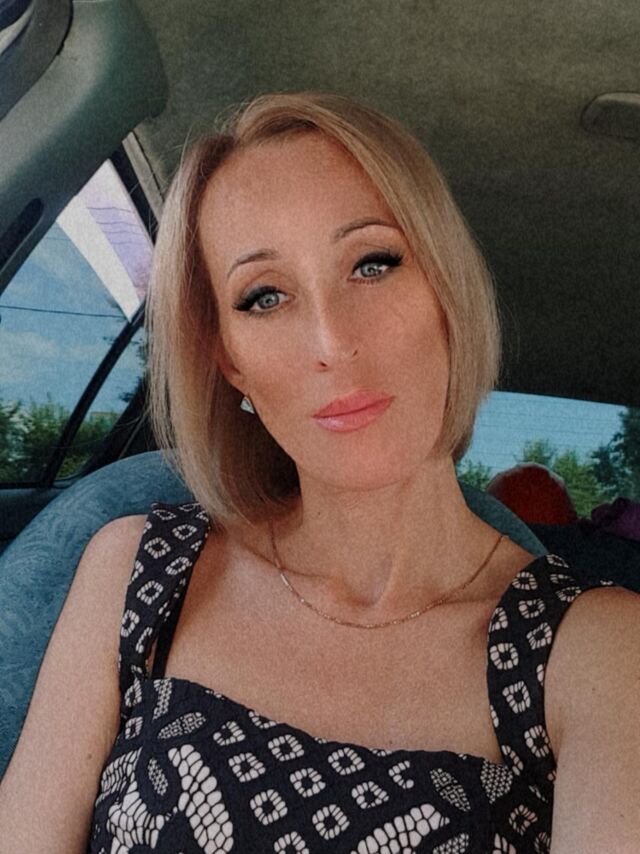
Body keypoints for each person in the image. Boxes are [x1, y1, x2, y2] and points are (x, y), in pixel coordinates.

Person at [1, 92, 638, 853]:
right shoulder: (137, 572)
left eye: (373, 263)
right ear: (229, 361)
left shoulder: (600, 653)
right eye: (264, 297)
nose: (332, 342)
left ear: (446, 291)